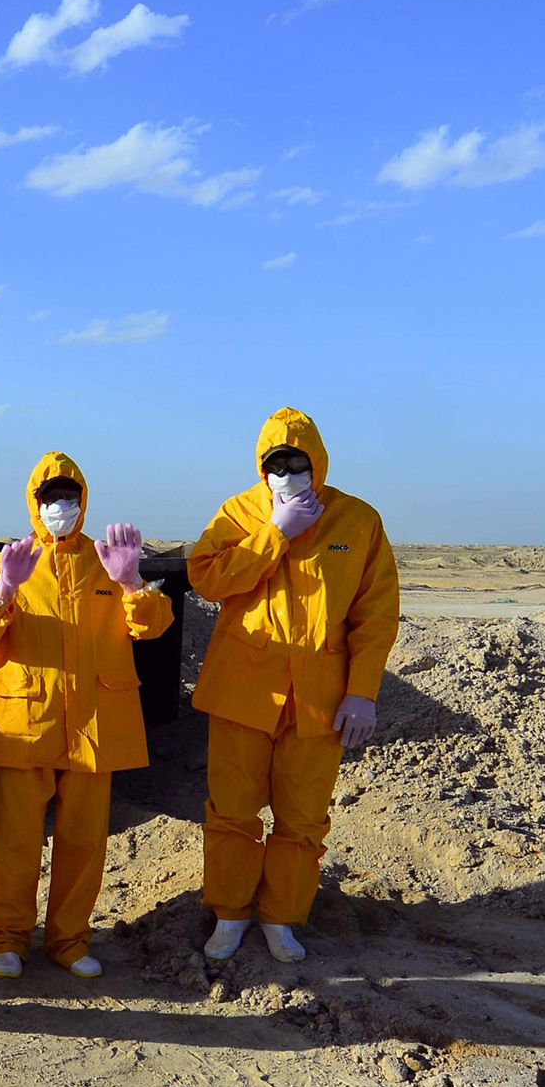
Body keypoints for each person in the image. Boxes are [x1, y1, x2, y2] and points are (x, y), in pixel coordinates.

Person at [188, 408, 398, 964]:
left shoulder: (358, 521)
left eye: (296, 461)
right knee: (232, 810)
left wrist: (363, 691)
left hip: (319, 698)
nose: (286, 471)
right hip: (242, 691)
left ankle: (281, 917)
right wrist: (274, 532)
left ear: (317, 462)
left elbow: (375, 616)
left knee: (303, 817)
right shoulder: (238, 512)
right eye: (274, 463)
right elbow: (206, 577)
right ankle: (231, 913)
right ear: (261, 466)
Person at [0, 453, 174, 979]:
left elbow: (153, 628)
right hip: (23, 725)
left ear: (83, 501)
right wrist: (5, 590)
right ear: (34, 504)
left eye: (69, 497)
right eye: (50, 498)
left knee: (83, 842)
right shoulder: (11, 560)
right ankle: (8, 940)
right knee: (15, 842)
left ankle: (70, 941)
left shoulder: (107, 560)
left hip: (91, 726)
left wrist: (130, 583)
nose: (61, 507)